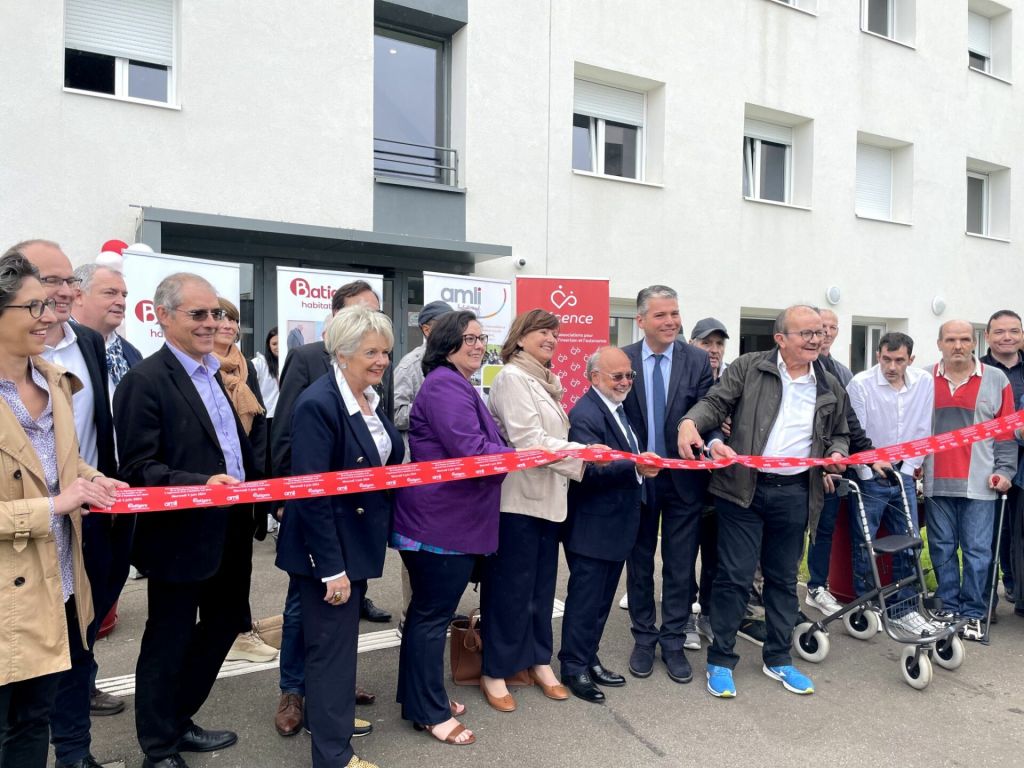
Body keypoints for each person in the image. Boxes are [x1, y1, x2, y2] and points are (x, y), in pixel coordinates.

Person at [113, 273, 267, 768]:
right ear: (163, 316)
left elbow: (232, 448)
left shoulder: (213, 373)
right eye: (198, 314)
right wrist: (200, 484)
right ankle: (158, 747)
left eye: (216, 313)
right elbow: (138, 469)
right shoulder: (145, 381)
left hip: (231, 527)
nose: (211, 323)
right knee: (169, 638)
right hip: (180, 535)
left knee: (225, 624)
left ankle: (177, 719)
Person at [678, 304, 851, 698]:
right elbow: (716, 404)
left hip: (795, 493)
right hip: (743, 490)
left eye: (819, 333)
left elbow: (840, 432)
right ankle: (721, 660)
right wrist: (689, 423)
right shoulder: (749, 367)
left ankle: (778, 658)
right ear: (780, 339)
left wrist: (837, 453)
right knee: (734, 578)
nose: (816, 340)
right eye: (806, 333)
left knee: (783, 580)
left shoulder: (828, 384)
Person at [0, 251, 122, 768]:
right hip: (8, 592)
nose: (49, 316)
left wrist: (92, 479)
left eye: (49, 304)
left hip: (61, 582)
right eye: (34, 306)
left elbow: (59, 462)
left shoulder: (55, 382)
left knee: (34, 719)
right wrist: (54, 504)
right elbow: (50, 492)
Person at [274, 306, 403, 768]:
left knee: (337, 649)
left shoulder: (366, 396)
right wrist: (331, 569)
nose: (382, 360)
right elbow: (311, 494)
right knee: (331, 654)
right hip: (329, 552)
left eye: (385, 352)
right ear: (342, 353)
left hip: (357, 541)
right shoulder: (319, 403)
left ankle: (330, 721)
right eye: (371, 352)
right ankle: (333, 756)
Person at [392, 310, 515, 744]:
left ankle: (420, 700)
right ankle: (430, 712)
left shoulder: (452, 382)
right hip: (439, 524)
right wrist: (515, 455)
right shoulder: (445, 384)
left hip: (444, 521)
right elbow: (473, 452)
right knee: (431, 617)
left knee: (427, 615)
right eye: (469, 338)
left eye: (482, 338)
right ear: (446, 344)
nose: (479, 345)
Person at [481, 309, 593, 711]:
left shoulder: (546, 382)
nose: (551, 339)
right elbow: (529, 441)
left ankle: (538, 660)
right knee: (509, 590)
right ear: (520, 337)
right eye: (543, 331)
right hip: (518, 502)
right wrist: (586, 453)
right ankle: (495, 670)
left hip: (550, 501)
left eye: (555, 333)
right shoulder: (512, 378)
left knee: (541, 590)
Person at [620, 286, 714, 684]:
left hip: (683, 481)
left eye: (675, 313)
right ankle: (644, 638)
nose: (671, 321)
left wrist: (708, 439)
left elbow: (709, 408)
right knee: (639, 563)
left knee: (679, 565)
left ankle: (673, 641)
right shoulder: (622, 359)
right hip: (639, 480)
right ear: (641, 320)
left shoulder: (696, 359)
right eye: (661, 315)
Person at [560, 347, 661, 703]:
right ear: (594, 378)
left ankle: (589, 658)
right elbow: (588, 470)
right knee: (585, 602)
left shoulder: (619, 409)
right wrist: (635, 467)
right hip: (592, 527)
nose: (625, 382)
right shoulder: (585, 414)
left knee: (601, 602)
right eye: (617, 376)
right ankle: (573, 667)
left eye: (629, 375)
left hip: (617, 526)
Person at [924, 320, 1016, 641]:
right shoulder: (923, 378)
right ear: (939, 344)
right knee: (941, 549)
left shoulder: (996, 379)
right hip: (935, 482)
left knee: (978, 552)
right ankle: (948, 607)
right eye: (951, 340)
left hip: (980, 483)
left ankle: (974, 612)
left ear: (975, 342)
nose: (958, 345)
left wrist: (1006, 471)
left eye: (964, 339)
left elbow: (1005, 432)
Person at [846, 332, 934, 631]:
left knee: (908, 539)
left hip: (903, 472)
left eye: (899, 360)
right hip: (869, 472)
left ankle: (904, 606)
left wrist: (908, 470)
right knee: (865, 542)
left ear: (911, 359)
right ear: (878, 356)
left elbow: (923, 428)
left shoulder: (923, 382)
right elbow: (856, 432)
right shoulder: (861, 384)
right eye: (886, 359)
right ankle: (866, 605)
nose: (892, 366)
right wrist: (867, 473)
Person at [209, 298, 277, 665]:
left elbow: (260, 424)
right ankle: (227, 633)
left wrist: (258, 481)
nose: (227, 325)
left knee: (240, 563)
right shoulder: (202, 370)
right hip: (212, 485)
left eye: (232, 319)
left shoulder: (245, 367)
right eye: (219, 317)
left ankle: (239, 630)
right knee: (216, 566)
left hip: (246, 484)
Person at [390, 299, 452, 633]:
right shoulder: (411, 364)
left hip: (446, 469)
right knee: (415, 544)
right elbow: (396, 412)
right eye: (445, 323)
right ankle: (409, 614)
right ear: (427, 328)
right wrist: (434, 408)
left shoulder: (453, 361)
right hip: (415, 467)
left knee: (439, 543)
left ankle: (434, 611)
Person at [682, 318, 730, 649]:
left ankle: (708, 614)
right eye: (706, 343)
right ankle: (685, 614)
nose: (713, 350)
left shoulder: (733, 380)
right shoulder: (685, 376)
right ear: (693, 344)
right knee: (684, 555)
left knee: (716, 556)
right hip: (687, 481)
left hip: (723, 484)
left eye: (718, 344)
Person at [804, 308, 854, 617]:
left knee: (823, 531)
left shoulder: (842, 373)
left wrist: (836, 460)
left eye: (832, 327)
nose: (826, 332)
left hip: (831, 469)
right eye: (821, 326)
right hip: (801, 470)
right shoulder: (799, 368)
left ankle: (816, 586)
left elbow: (845, 424)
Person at [980, 310, 1024, 614]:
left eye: (1013, 331)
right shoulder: (977, 370)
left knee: (1018, 533)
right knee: (987, 534)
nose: (1007, 337)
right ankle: (985, 603)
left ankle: (1017, 590)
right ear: (987, 336)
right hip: (988, 462)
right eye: (999, 332)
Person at [71, 263, 143, 399]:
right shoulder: (58, 342)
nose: (121, 302)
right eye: (110, 293)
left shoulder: (131, 353)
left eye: (124, 295)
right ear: (78, 296)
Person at [252, 327, 280, 462]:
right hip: (266, 418)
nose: (278, 347)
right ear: (268, 345)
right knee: (267, 457)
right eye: (274, 343)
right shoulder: (259, 363)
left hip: (283, 417)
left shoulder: (290, 362)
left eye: (280, 343)